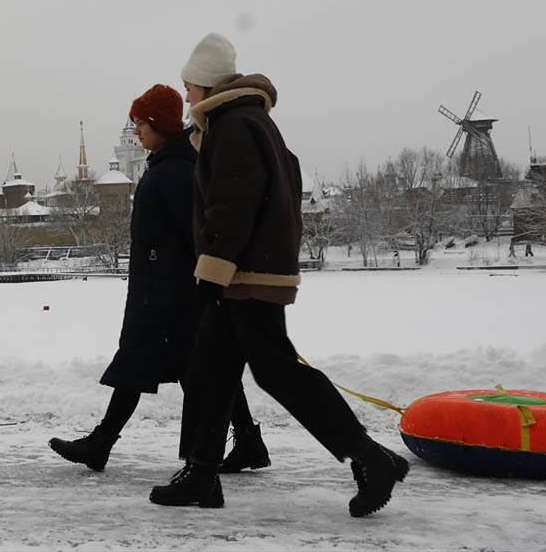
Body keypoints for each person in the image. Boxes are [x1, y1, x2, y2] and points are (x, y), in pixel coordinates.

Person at [149, 33, 408, 516]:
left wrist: (214, 267)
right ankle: (201, 474)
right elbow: (287, 180)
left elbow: (232, 204)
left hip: (244, 276)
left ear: (206, 85)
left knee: (278, 371)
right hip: (250, 271)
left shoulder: (233, 125)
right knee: (208, 370)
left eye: (189, 87)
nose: (186, 97)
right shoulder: (253, 121)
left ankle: (370, 459)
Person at [48, 84, 269, 473]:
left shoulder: (174, 172)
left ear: (159, 124)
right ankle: (248, 441)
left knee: (143, 362)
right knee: (186, 368)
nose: (136, 131)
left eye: (140, 123)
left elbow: (194, 234)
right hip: (162, 287)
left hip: (167, 292)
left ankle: (104, 444)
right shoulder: (169, 164)